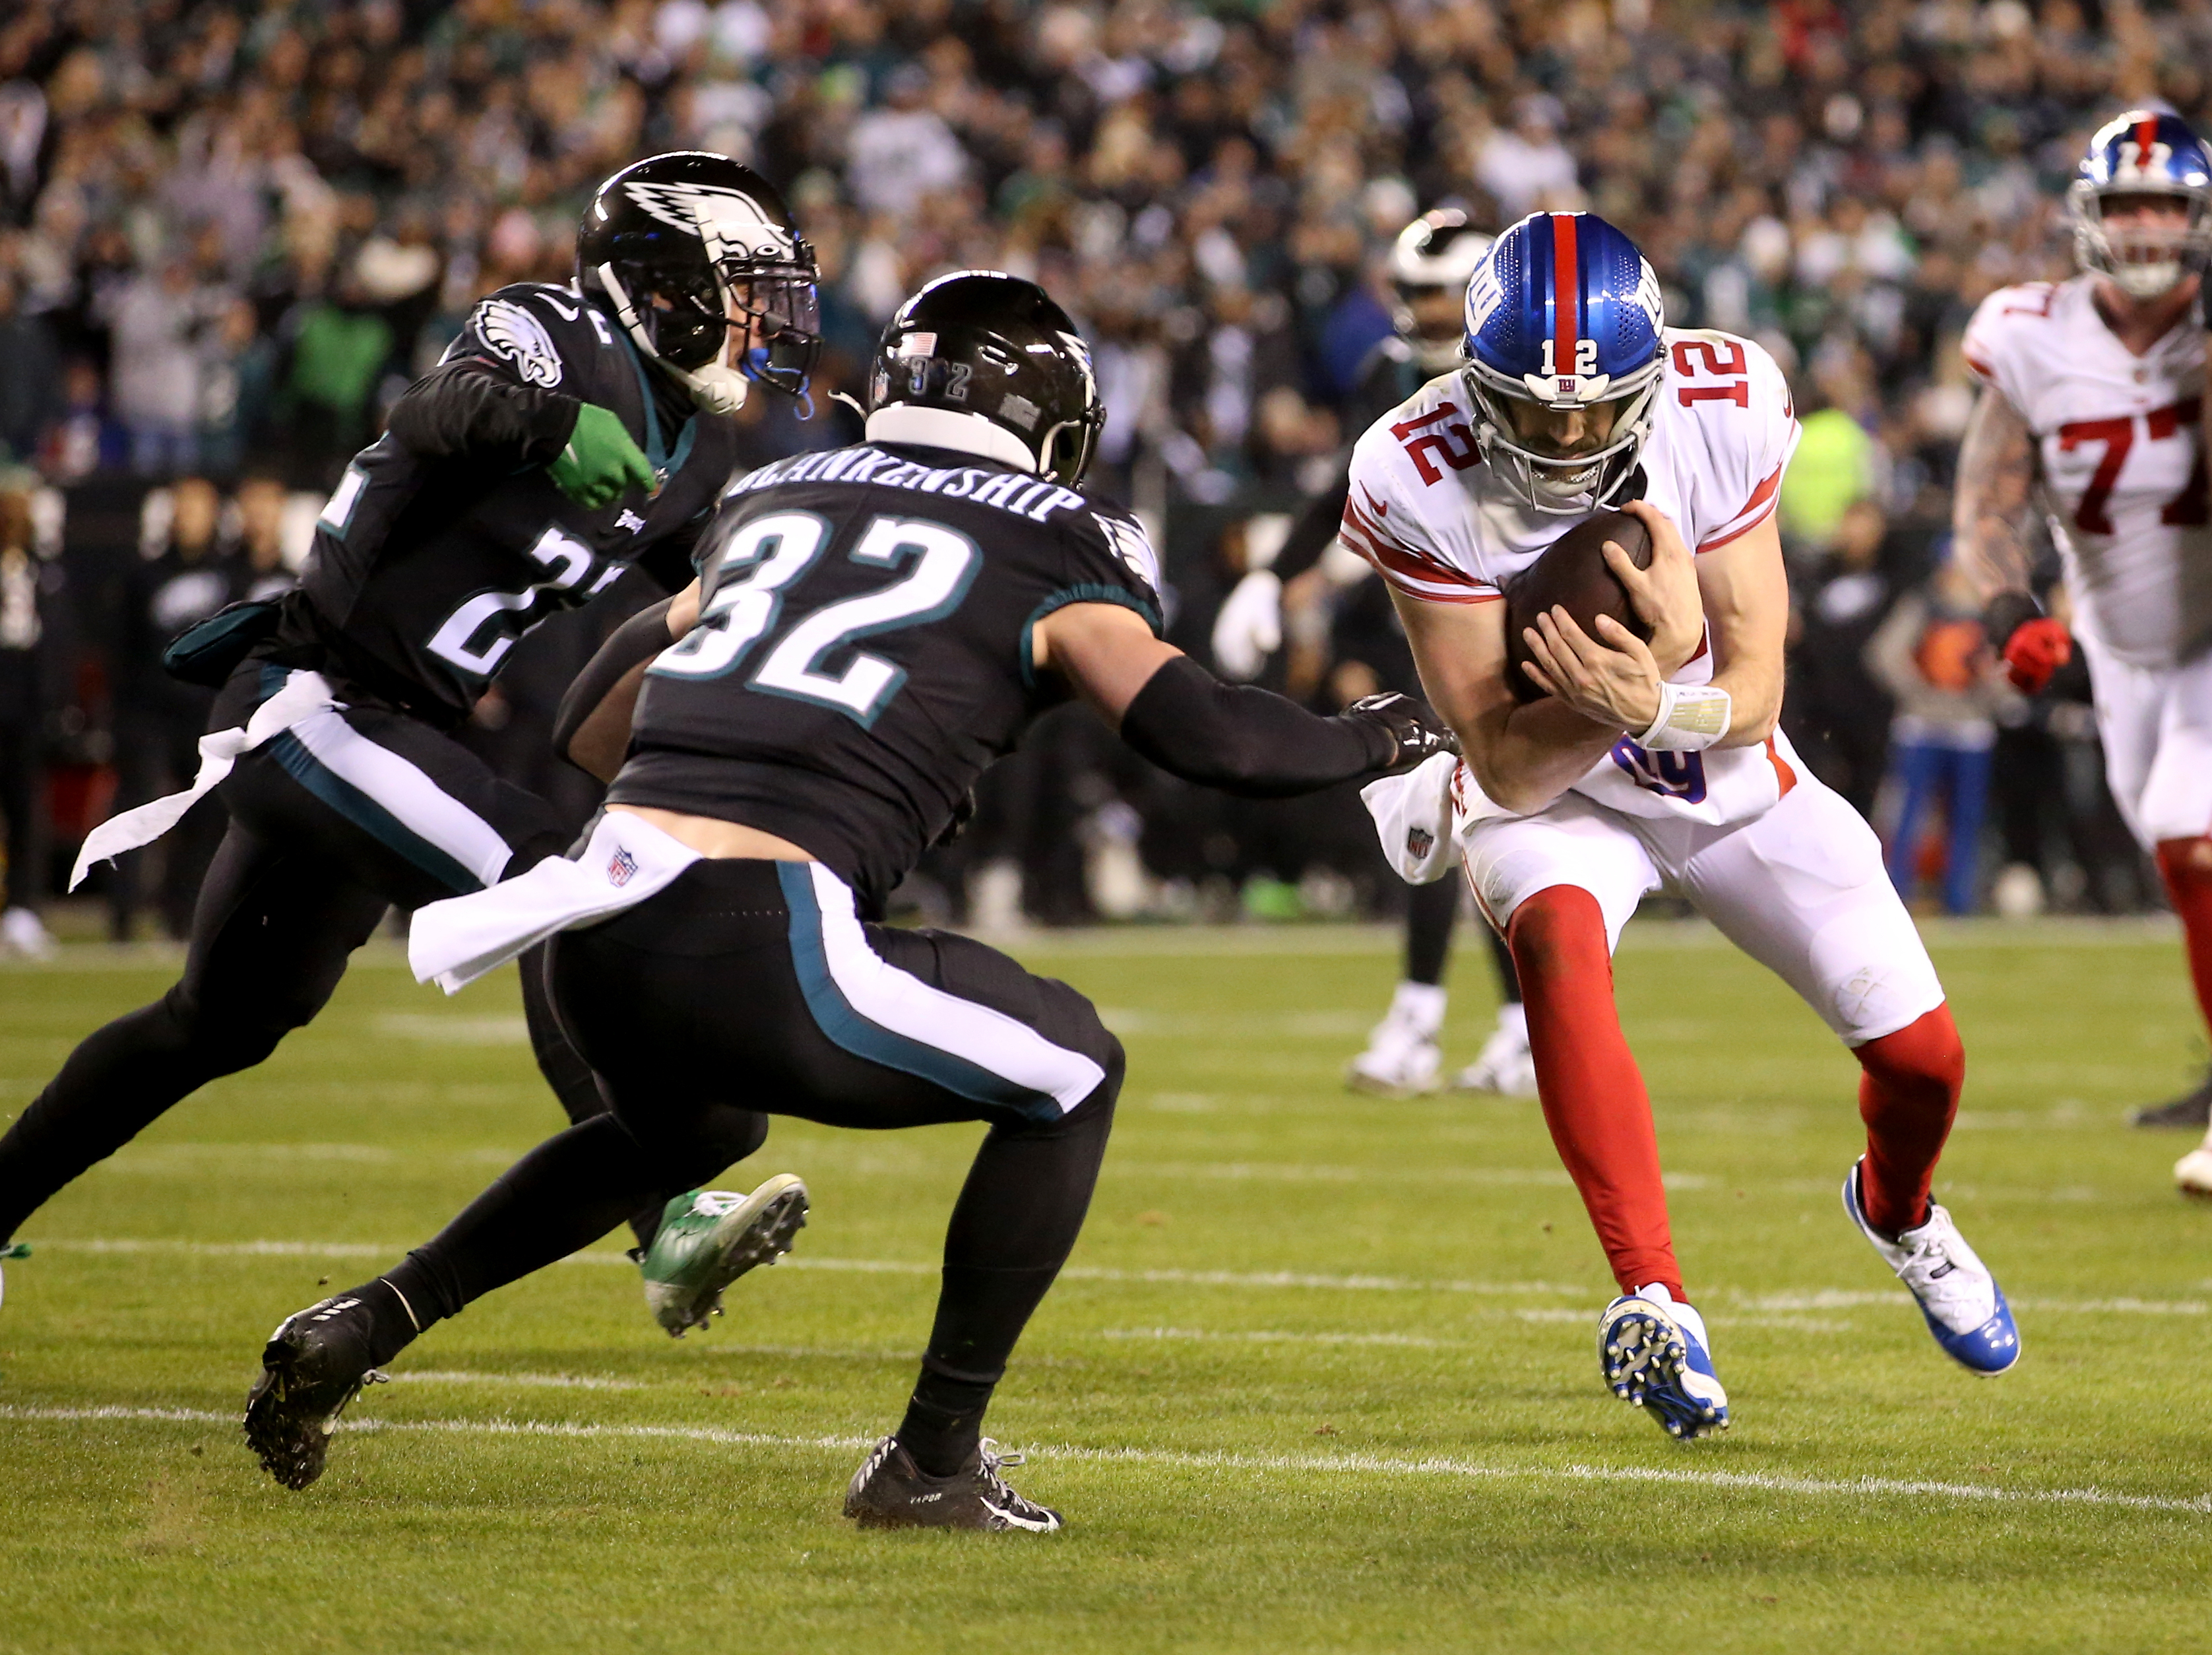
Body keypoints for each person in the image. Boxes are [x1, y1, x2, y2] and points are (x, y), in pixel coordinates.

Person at [240, 271, 1456, 1529]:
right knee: (1072, 1072)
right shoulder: (1057, 533)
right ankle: (930, 1461)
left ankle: (364, 1318)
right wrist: (1380, 734)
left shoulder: (775, 491)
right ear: (1045, 418)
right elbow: (1210, 739)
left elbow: (588, 716)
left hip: (591, 925)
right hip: (767, 935)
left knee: (688, 1133)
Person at [0, 154, 821, 1332]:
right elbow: (432, 409)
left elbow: (702, 596)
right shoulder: (551, 328)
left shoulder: (700, 449)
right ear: (668, 282)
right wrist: (549, 421)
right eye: (743, 292)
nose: (760, 323)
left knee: (219, 1021)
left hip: (393, 735)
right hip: (314, 700)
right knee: (562, 880)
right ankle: (668, 1214)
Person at [1353, 212, 2018, 1441]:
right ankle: (1650, 1296)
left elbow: (1757, 684)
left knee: (1924, 1059)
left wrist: (1656, 689)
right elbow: (1499, 752)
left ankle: (1899, 1208)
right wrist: (1607, 710)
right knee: (1552, 936)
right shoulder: (1410, 465)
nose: (1562, 438)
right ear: (1474, 379)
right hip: (1552, 789)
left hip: (1723, 766)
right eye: (1532, 409)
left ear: (1650, 376)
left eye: (1590, 410)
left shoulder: (1724, 399)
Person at [1214, 210, 1534, 1096]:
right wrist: (1271, 579)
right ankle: (1499, 1028)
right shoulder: (1389, 376)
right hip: (1430, 621)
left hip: (1519, 622)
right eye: (1412, 294)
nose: (1419, 311)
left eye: (1437, 295)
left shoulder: (1528, 372)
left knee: (1469, 824)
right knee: (1447, 819)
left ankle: (1445, 1024)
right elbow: (1351, 493)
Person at [1953, 112, 2212, 1144]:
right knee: (2173, 855)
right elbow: (1986, 499)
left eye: (2165, 205)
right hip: (2115, 641)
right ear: (2089, 216)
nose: (2146, 226)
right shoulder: (2032, 331)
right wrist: (2009, 608)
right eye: (2126, 204)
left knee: (2196, 845)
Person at [1864, 554, 2012, 915]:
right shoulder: (1924, 604)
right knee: (1908, 811)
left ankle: (1959, 897)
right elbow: (1884, 653)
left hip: (1970, 727)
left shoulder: (1991, 612)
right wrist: (1920, 690)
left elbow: (2009, 667)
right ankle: (1897, 890)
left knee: (1966, 815)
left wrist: (1988, 689)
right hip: (1923, 723)